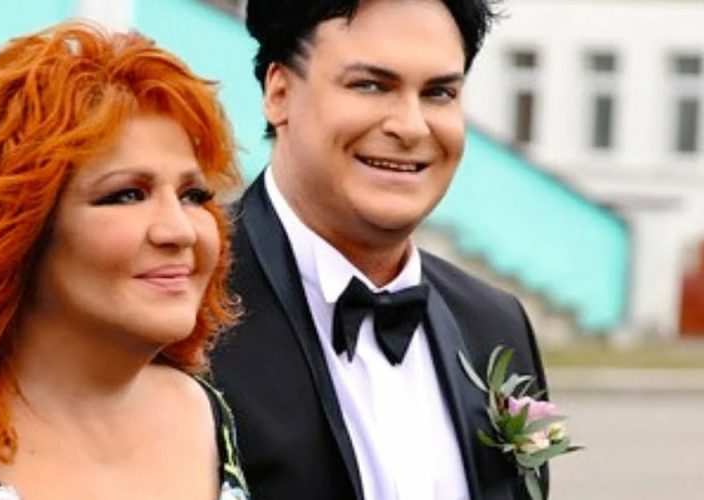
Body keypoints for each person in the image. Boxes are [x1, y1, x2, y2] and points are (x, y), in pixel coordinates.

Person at [210, 0, 549, 499]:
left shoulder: (495, 324)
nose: (411, 127)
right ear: (279, 93)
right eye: (370, 85)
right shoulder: (185, 301)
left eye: (438, 93)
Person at [0, 22, 249, 500]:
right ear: (15, 229)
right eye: (127, 195)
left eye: (194, 195)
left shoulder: (205, 412)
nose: (180, 230)